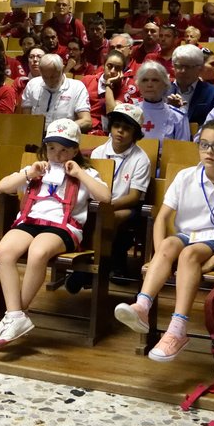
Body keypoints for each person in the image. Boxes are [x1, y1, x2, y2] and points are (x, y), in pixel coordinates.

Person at [113, 117, 214, 361]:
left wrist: (208, 265)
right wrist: (160, 256)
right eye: (204, 144)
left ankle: (177, 329)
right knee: (169, 243)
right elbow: (161, 218)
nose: (209, 151)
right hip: (187, 238)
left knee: (189, 255)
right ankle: (142, 307)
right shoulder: (186, 176)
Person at [0, 119, 113, 347]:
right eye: (52, 148)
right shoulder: (38, 169)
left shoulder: (84, 172)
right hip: (30, 220)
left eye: (64, 149)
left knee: (38, 251)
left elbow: (105, 197)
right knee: (5, 251)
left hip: (63, 227)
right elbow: (2, 187)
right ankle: (16, 315)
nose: (57, 155)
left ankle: (16, 314)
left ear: (75, 150)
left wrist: (80, 174)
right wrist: (28, 174)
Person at [78, 102, 153, 290]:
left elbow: (135, 196)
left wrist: (109, 206)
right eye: (117, 126)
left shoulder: (140, 159)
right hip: (100, 203)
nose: (120, 131)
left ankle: (98, 265)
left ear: (135, 133)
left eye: (127, 128)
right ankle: (90, 263)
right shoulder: (99, 152)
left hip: (127, 206)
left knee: (111, 218)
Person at [20, 53, 93, 133]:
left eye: (53, 76)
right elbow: (26, 119)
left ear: (62, 70)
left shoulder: (77, 87)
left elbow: (87, 121)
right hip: (35, 135)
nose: (49, 81)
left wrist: (60, 130)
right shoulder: (32, 84)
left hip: (63, 137)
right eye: (45, 77)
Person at [166, 44, 214, 126]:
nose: (183, 71)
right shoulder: (162, 91)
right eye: (179, 66)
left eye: (189, 67)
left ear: (200, 68)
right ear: (173, 67)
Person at [132, 61, 189, 141]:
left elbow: (184, 151)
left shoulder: (178, 117)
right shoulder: (129, 114)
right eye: (144, 80)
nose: (149, 85)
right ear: (138, 85)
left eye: (155, 80)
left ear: (165, 84)